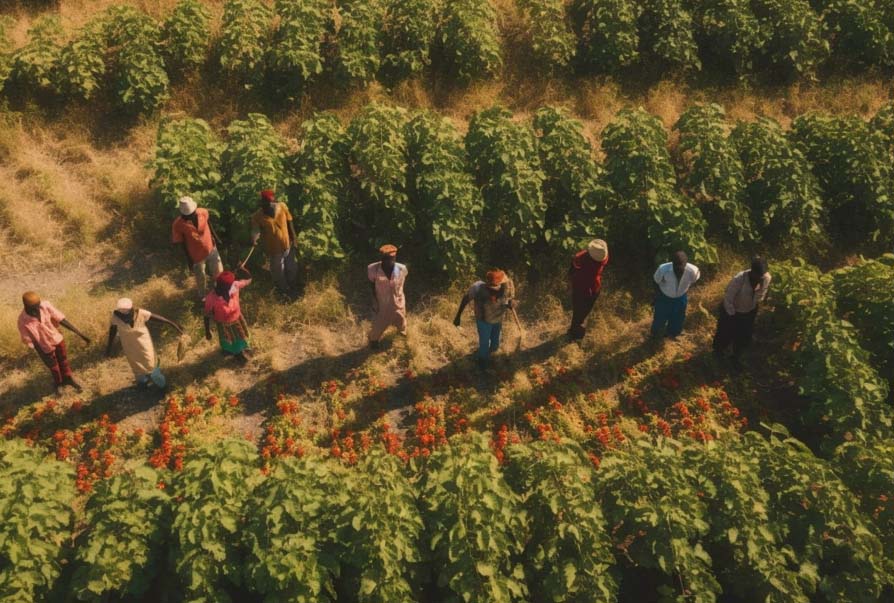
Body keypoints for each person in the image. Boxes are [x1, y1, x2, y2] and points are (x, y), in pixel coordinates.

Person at [17, 291, 90, 393]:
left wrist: (80, 334)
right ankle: (58, 383)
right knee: (53, 366)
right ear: (26, 306)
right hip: (43, 346)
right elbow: (29, 340)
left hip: (56, 338)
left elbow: (61, 320)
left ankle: (68, 379)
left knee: (63, 360)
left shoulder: (45, 305)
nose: (37, 309)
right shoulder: (22, 320)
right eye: (34, 308)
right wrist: (42, 352)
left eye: (38, 306)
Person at [105, 298, 183, 389]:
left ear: (131, 309)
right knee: (136, 366)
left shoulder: (141, 313)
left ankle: (162, 386)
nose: (125, 316)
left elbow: (159, 319)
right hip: (130, 348)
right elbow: (112, 331)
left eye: (127, 312)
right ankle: (142, 383)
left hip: (145, 345)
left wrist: (172, 324)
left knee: (151, 365)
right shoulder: (115, 317)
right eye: (122, 313)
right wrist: (109, 348)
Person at [713, 257, 771, 368]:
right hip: (731, 311)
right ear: (752, 271)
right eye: (758, 275)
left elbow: (761, 295)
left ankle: (736, 357)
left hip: (749, 311)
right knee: (725, 334)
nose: (760, 277)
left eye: (762, 275)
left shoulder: (766, 278)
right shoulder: (739, 279)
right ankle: (718, 354)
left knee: (743, 336)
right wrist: (732, 315)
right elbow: (728, 298)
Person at [453, 270, 516, 370]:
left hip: (498, 319)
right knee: (484, 343)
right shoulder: (477, 287)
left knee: (495, 344)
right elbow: (466, 298)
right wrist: (458, 316)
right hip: (483, 320)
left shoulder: (506, 287)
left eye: (495, 287)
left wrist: (510, 304)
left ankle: (490, 356)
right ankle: (482, 364)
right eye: (491, 287)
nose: (493, 290)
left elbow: (508, 300)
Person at [171, 196, 223, 301]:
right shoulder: (178, 225)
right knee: (200, 277)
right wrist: (189, 260)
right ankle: (202, 296)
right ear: (182, 214)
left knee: (218, 272)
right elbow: (181, 243)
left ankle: (220, 291)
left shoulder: (202, 212)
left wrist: (216, 238)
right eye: (187, 215)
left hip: (211, 248)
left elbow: (209, 224)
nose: (190, 216)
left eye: (192, 213)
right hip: (196, 255)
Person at [250, 189, 298, 293]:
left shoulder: (282, 207)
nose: (267, 205)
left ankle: (292, 284)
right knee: (278, 270)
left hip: (287, 243)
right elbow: (255, 230)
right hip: (273, 248)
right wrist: (254, 238)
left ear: (273, 202)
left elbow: (290, 221)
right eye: (265, 203)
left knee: (291, 267)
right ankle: (283, 289)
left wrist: (294, 237)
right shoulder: (257, 216)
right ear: (261, 202)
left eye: (269, 203)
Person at [204, 268, 253, 363]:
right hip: (223, 324)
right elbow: (206, 315)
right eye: (230, 286)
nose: (232, 287)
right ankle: (235, 353)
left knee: (240, 338)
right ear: (223, 287)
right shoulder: (211, 298)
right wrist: (207, 331)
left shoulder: (234, 286)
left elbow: (248, 280)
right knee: (227, 340)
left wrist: (245, 271)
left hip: (237, 319)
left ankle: (238, 352)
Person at [651, 251, 700, 339]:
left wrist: (683, 290)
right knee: (659, 318)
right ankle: (655, 335)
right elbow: (656, 281)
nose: (678, 270)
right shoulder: (663, 269)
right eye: (676, 267)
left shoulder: (693, 270)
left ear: (686, 264)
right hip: (664, 297)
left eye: (681, 267)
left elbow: (694, 281)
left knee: (678, 317)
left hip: (681, 297)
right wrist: (657, 296)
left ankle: (673, 334)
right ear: (672, 263)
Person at [367, 244, 408, 348]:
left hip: (398, 302)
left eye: (393, 258)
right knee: (378, 327)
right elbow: (371, 286)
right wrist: (374, 301)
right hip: (382, 303)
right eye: (388, 259)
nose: (391, 261)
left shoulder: (401, 268)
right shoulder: (373, 269)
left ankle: (402, 342)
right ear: (382, 258)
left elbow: (401, 284)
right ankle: (373, 344)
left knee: (401, 323)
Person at [568, 239, 609, 341]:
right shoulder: (604, 260)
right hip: (594, 289)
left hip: (581, 290)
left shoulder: (582, 258)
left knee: (578, 313)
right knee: (583, 313)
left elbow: (573, 266)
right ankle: (575, 331)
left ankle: (575, 335)